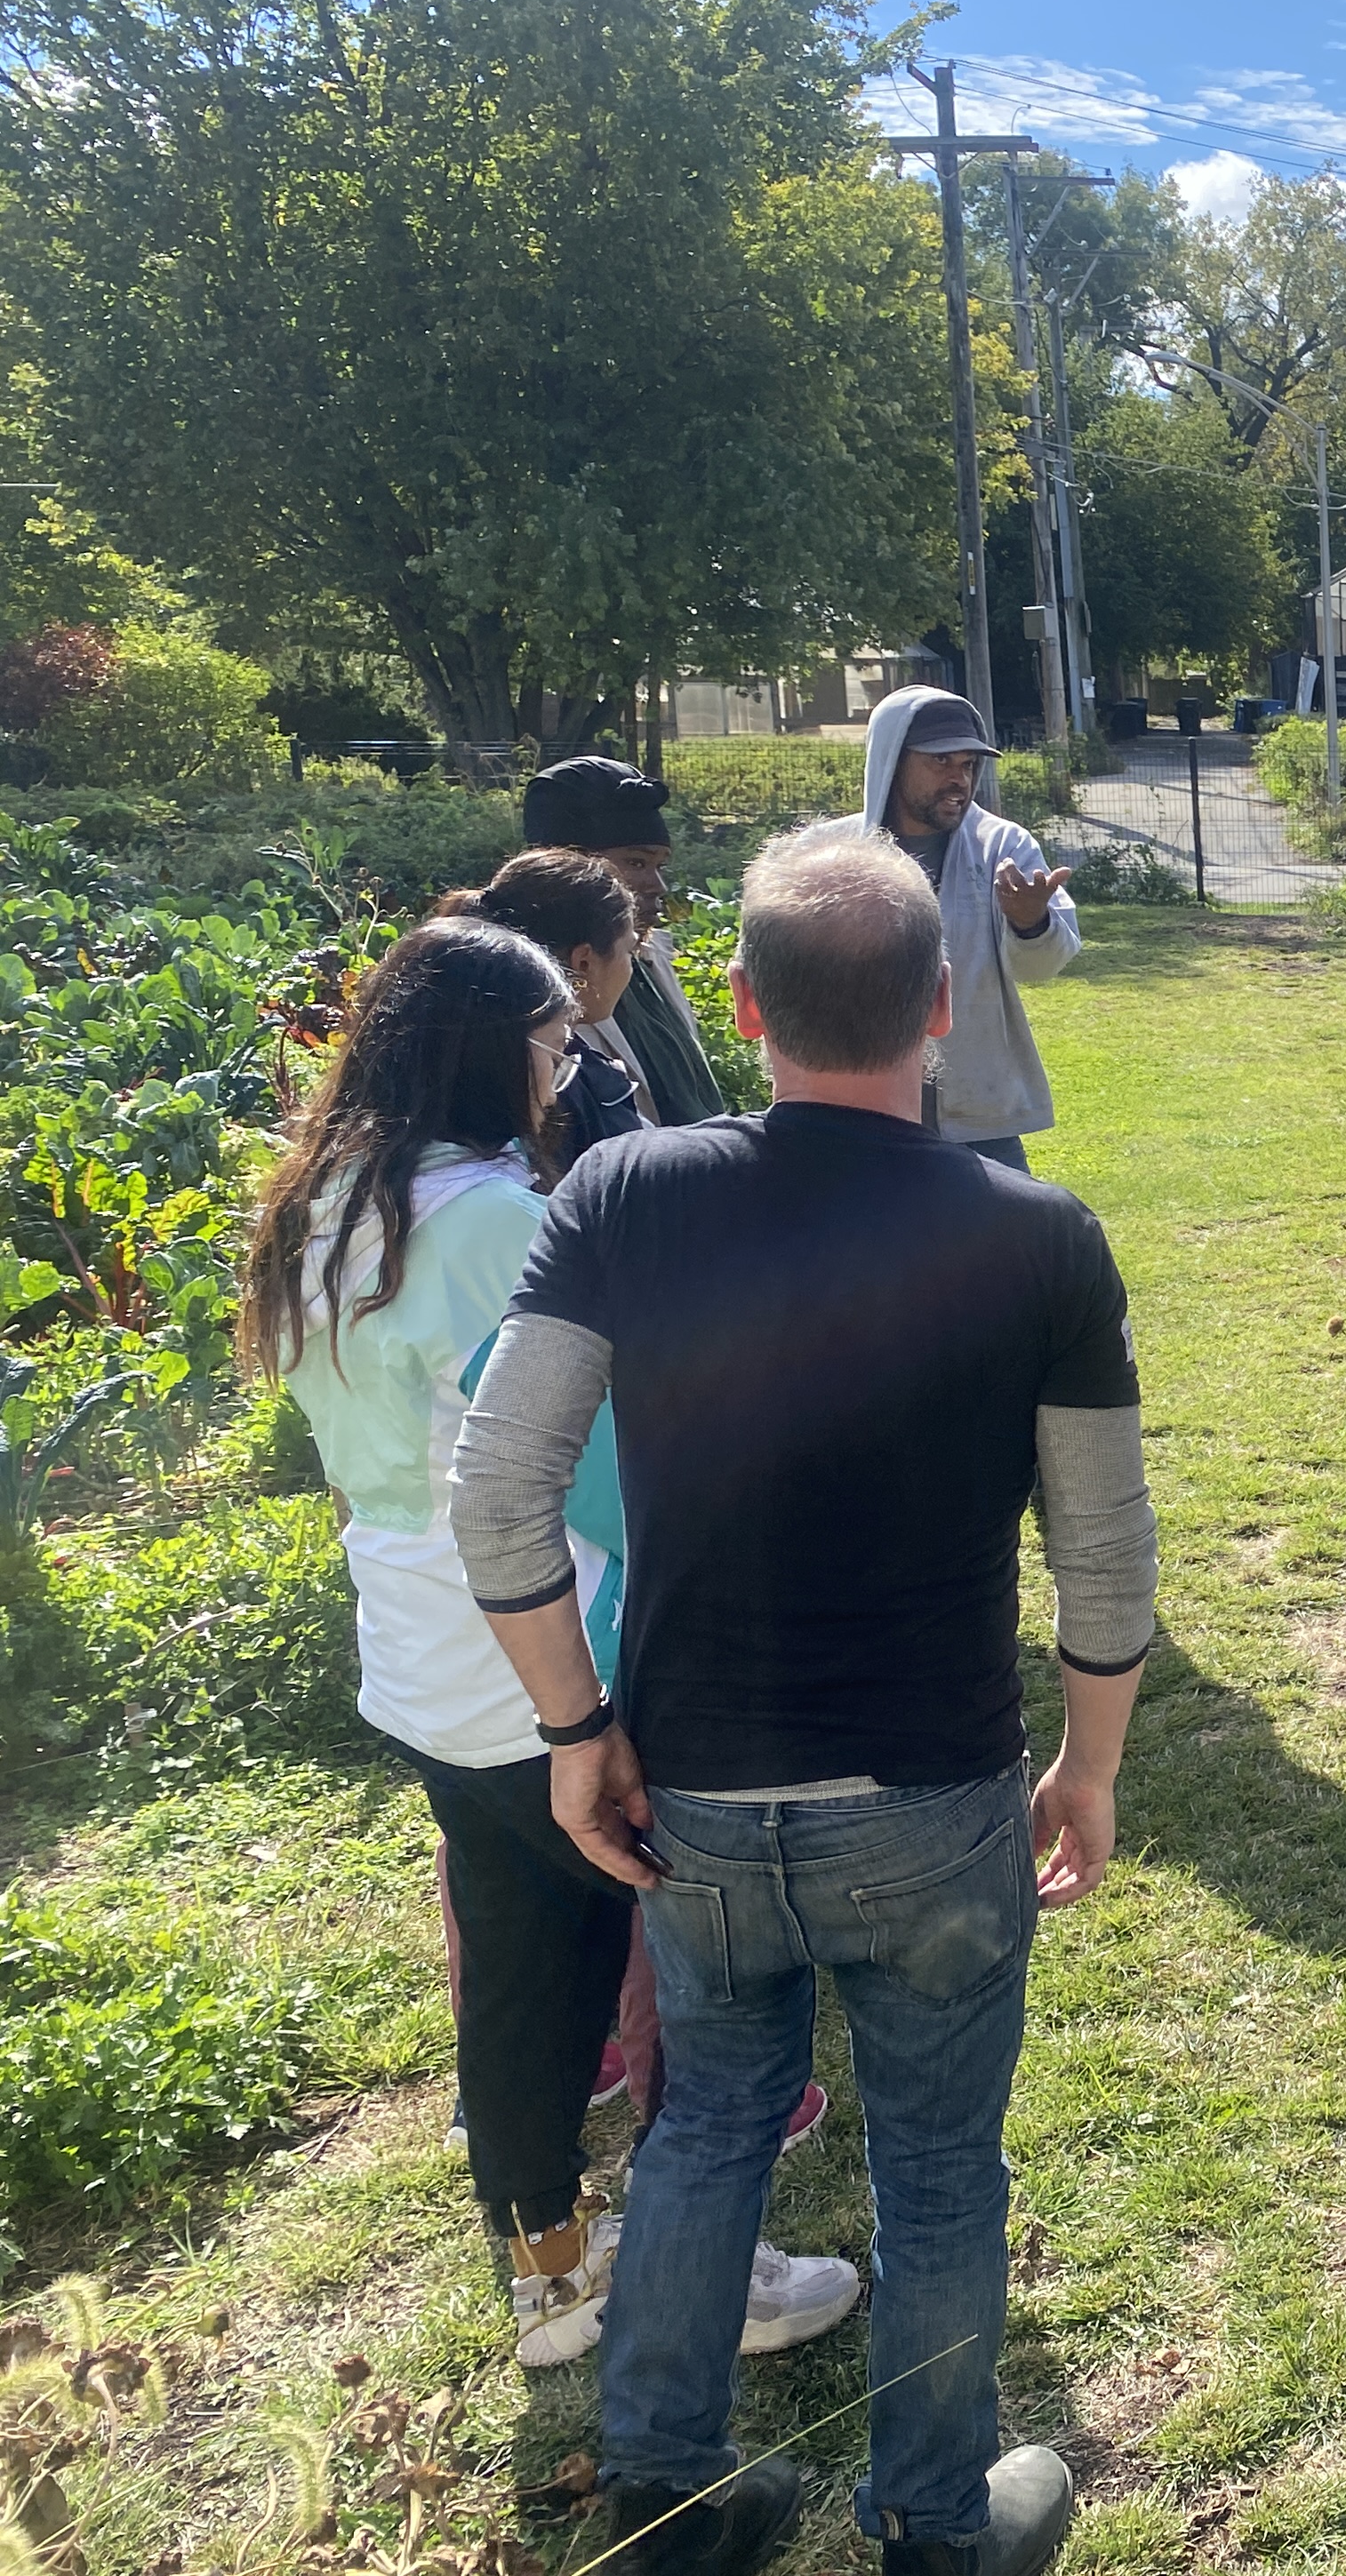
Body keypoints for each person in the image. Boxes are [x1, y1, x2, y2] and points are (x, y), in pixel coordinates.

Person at [451, 819, 1158, 2575]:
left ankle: (668, 2492)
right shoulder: (1043, 1237)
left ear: (747, 1010)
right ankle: (933, 2516)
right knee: (938, 2165)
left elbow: (497, 1488)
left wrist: (569, 1727)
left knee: (705, 2127)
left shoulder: (627, 1193)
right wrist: (1090, 1765)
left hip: (696, 1788)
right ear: (938, 1005)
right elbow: (1109, 1560)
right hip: (931, 1798)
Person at [243, 919, 856, 2377]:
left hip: (419, 1656)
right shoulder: (485, 1222)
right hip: (550, 1652)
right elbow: (587, 1455)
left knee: (524, 1977)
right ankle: (708, 2262)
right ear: (484, 1048)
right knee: (695, 1968)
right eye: (551, 1042)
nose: (565, 1066)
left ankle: (553, 2275)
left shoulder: (326, 1200)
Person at [860, 684, 1079, 1172]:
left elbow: (1045, 968)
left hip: (977, 1119)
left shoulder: (1003, 846)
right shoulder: (834, 852)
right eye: (940, 763)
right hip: (861, 1110)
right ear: (893, 761)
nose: (958, 779)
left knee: (999, 1247)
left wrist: (1031, 922)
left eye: (968, 764)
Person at [524, 757, 728, 1130]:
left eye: (659, 866)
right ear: (570, 869)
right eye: (635, 864)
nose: (657, 886)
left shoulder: (650, 959)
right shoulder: (532, 993)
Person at [444, 852, 648, 1162]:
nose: (630, 968)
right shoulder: (548, 1085)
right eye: (629, 950)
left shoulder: (453, 1046)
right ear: (584, 962)